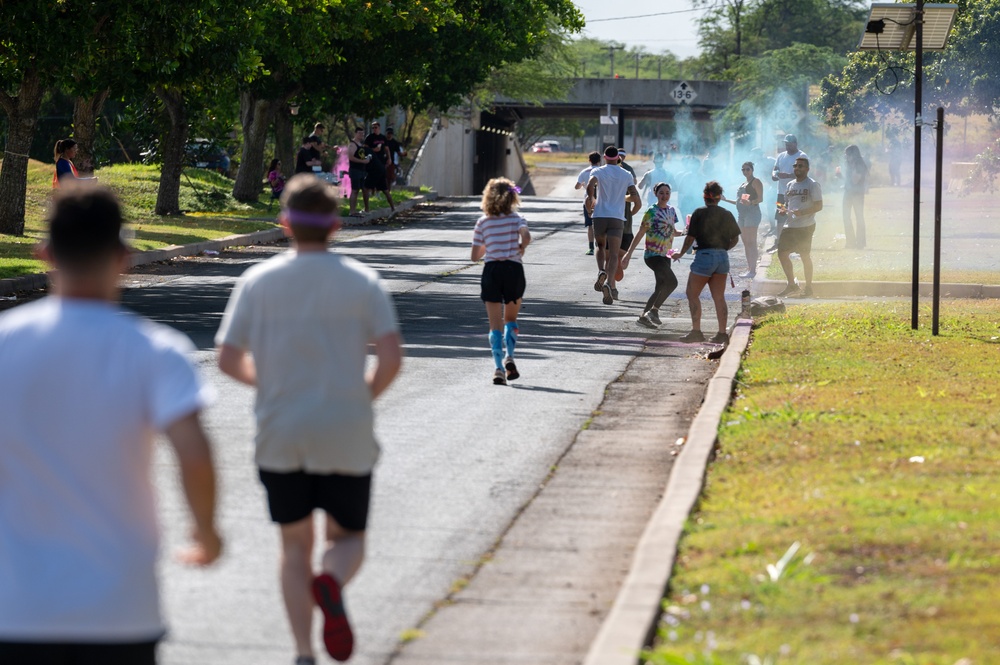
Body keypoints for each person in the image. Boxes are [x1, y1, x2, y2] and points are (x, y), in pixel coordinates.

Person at [0, 184, 222, 663]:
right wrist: (206, 532)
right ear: (123, 256)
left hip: (14, 606)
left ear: (45, 254)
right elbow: (195, 455)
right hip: (119, 607)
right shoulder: (156, 350)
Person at [216, 174, 402, 665]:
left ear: (283, 225)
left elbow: (228, 357)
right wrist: (363, 396)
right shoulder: (363, 282)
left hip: (282, 430)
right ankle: (333, 581)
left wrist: (273, 385)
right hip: (345, 426)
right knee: (348, 538)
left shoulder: (258, 281)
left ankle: (303, 653)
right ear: (336, 226)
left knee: (293, 546)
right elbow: (390, 357)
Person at [471, 177, 531, 385]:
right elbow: (526, 235)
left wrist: (490, 244)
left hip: (492, 270)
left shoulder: (483, 222)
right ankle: (510, 357)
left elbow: (474, 256)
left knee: (494, 324)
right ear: (512, 197)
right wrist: (521, 246)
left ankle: (498, 368)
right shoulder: (516, 218)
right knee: (510, 320)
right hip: (513, 270)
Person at [674, 181, 741, 344]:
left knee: (692, 293)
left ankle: (696, 331)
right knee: (719, 297)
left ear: (705, 196)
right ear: (719, 197)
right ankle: (722, 333)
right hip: (722, 258)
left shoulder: (699, 213)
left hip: (704, 257)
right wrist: (722, 249)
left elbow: (690, 238)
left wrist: (680, 253)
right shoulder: (727, 213)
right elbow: (735, 239)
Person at [622, 181, 683, 329]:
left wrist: (687, 231)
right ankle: (654, 311)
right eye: (661, 193)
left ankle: (643, 317)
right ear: (655, 194)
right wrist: (628, 255)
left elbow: (673, 232)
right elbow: (640, 233)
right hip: (653, 255)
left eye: (667, 193)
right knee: (672, 282)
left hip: (665, 255)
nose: (664, 196)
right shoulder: (651, 211)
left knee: (660, 287)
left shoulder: (671, 211)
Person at [586, 146, 641, 305]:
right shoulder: (626, 174)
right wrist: (631, 211)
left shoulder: (598, 171)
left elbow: (591, 185)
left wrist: (591, 200)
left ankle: (600, 271)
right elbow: (635, 197)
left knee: (601, 246)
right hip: (617, 217)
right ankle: (609, 283)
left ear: (604, 157)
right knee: (615, 254)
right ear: (618, 158)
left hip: (600, 215)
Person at [776, 157, 823, 298]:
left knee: (804, 255)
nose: (797, 168)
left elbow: (819, 206)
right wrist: (783, 209)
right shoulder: (790, 185)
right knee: (782, 253)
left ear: (807, 169)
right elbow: (784, 203)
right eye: (795, 166)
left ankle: (808, 287)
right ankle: (792, 285)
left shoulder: (812, 184)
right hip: (790, 224)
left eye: (801, 166)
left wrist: (802, 212)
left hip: (805, 226)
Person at [722, 161, 763, 278]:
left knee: (751, 241)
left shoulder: (756, 182)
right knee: (745, 242)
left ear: (752, 170)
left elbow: (760, 198)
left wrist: (750, 202)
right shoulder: (743, 184)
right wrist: (725, 200)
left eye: (747, 169)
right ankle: (750, 268)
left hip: (752, 213)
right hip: (742, 215)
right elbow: (738, 202)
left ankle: (753, 270)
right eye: (743, 170)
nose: (745, 171)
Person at [768, 134, 808, 253]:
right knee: (780, 216)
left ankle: (797, 243)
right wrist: (775, 175)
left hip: (796, 192)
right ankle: (779, 242)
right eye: (786, 144)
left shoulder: (801, 156)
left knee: (795, 216)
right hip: (781, 192)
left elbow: (804, 173)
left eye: (789, 144)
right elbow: (775, 169)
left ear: (795, 144)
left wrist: (788, 176)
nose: (787, 146)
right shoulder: (781, 156)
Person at [363, 121, 395, 212]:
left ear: (379, 128)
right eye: (372, 127)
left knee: (383, 189)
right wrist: (374, 149)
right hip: (372, 165)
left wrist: (389, 158)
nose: (374, 129)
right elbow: (365, 149)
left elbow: (387, 149)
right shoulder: (369, 137)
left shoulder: (383, 138)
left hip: (380, 166)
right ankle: (367, 209)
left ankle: (393, 208)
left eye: (375, 127)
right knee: (367, 188)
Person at [841, 144, 868, 249]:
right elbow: (848, 181)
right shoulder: (849, 164)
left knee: (859, 217)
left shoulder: (859, 164)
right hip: (848, 193)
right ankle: (850, 242)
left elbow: (855, 180)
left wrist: (853, 169)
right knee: (846, 217)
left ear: (853, 154)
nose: (846, 157)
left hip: (857, 194)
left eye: (847, 154)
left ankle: (860, 243)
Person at [575, 151, 602, 254]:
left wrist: (582, 184)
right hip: (601, 200)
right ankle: (600, 244)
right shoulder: (602, 171)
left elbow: (576, 186)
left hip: (588, 201)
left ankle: (591, 247)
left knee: (590, 225)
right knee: (601, 225)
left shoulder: (584, 172)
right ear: (600, 160)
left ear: (589, 160)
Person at [346, 127, 371, 215]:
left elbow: (360, 155)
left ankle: (366, 209)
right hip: (355, 170)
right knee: (355, 190)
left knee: (365, 189)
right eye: (359, 133)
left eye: (362, 133)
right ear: (355, 133)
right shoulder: (352, 144)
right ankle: (352, 211)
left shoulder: (361, 144)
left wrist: (366, 159)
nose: (361, 135)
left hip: (363, 171)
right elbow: (351, 157)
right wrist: (363, 161)